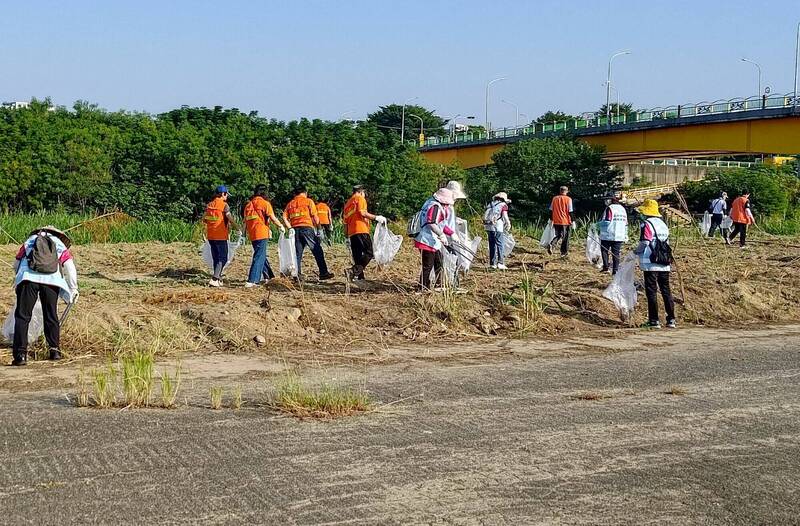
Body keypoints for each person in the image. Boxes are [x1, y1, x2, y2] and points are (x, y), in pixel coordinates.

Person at [10, 226, 79, 365]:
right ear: (57, 234)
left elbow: (16, 263)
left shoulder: (29, 241)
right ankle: (54, 351)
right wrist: (73, 288)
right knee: (51, 315)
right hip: (51, 281)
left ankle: (20, 355)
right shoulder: (59, 244)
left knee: (23, 316)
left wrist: (18, 278)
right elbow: (70, 267)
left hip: (28, 279)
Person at [633, 199, 676, 329]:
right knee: (666, 290)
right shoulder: (663, 224)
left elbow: (645, 241)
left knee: (651, 291)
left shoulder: (646, 224)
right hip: (664, 261)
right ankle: (671, 320)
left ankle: (654, 320)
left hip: (650, 262)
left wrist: (636, 252)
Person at [283, 187, 335, 281]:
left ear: (295, 194)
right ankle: (323, 273)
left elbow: (284, 218)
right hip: (307, 228)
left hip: (295, 230)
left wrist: (290, 228)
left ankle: (297, 275)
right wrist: (319, 229)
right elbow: (315, 216)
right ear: (305, 192)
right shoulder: (308, 201)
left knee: (297, 253)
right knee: (317, 250)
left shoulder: (290, 204)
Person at [243, 184, 285, 288]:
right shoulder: (265, 203)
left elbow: (245, 222)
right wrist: (280, 226)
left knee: (261, 255)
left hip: (252, 234)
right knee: (259, 256)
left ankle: (269, 277)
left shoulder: (248, 205)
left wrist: (243, 234)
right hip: (261, 233)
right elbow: (273, 217)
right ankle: (252, 280)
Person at [414, 188, 456, 290]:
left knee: (439, 262)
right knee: (428, 266)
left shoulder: (431, 203)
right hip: (426, 240)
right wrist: (441, 235)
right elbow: (431, 223)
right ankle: (422, 288)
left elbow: (440, 224)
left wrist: (452, 233)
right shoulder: (435, 207)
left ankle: (439, 285)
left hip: (431, 240)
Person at [343, 185, 386, 282]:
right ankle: (353, 271)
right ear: (361, 192)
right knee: (369, 252)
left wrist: (346, 236)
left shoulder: (347, 204)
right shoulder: (359, 198)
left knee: (357, 255)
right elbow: (362, 213)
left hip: (352, 232)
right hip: (361, 229)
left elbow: (345, 222)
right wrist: (376, 217)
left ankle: (360, 277)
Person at [203, 185, 239, 287]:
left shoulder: (209, 205)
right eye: (226, 194)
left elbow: (204, 219)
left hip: (211, 236)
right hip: (221, 236)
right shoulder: (224, 205)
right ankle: (214, 279)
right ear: (223, 194)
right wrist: (237, 228)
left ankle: (218, 278)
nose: (227, 196)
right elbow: (230, 219)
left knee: (216, 257)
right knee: (222, 258)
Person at [598, 193, 628, 274]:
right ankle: (615, 270)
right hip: (619, 235)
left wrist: (597, 224)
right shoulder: (622, 209)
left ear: (610, 200)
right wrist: (626, 235)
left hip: (608, 234)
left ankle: (606, 267)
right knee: (616, 253)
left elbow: (607, 221)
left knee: (604, 251)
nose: (605, 201)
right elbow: (626, 223)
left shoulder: (609, 208)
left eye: (606, 199)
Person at [483, 192, 512, 270]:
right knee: (500, 244)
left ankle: (492, 264)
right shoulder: (503, 205)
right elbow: (505, 217)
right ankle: (500, 263)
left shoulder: (490, 204)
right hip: (498, 227)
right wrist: (508, 224)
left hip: (488, 226)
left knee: (491, 245)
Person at [549, 186, 573, 256]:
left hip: (556, 220)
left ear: (560, 191)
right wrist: (573, 220)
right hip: (565, 221)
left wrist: (551, 219)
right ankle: (564, 252)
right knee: (566, 237)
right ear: (566, 191)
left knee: (558, 234)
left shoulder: (554, 198)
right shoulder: (568, 199)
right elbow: (570, 211)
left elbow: (551, 210)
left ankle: (552, 244)